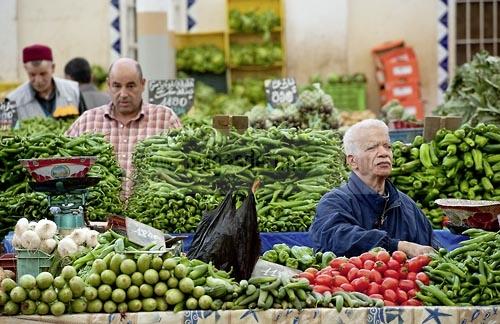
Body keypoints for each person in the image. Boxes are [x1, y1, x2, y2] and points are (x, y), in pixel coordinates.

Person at [309, 119, 435, 258]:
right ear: (352, 161)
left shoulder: (407, 206)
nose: (384, 153)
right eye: (372, 147)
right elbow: (338, 238)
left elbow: (431, 250)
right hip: (353, 279)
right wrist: (397, 246)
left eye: (388, 146)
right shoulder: (335, 202)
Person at [65, 57, 181, 197]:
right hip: (98, 216)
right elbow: (63, 163)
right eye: (117, 86)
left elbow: (184, 167)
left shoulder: (165, 118)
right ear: (108, 85)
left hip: (150, 214)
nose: (124, 94)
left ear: (143, 84)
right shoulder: (87, 121)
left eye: (131, 86)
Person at [7, 44, 84, 121]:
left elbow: (86, 124)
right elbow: (5, 132)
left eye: (43, 74)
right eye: (32, 75)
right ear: (26, 69)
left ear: (53, 68)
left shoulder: (74, 90)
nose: (38, 80)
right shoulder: (10, 101)